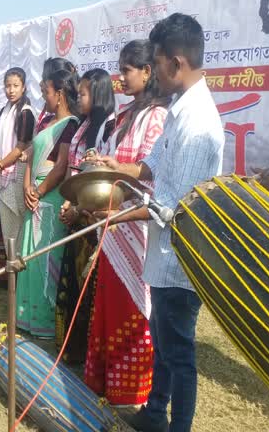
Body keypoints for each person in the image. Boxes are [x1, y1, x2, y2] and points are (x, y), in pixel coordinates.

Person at [95, 14, 224, 432]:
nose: (153, 74)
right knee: (166, 347)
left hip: (181, 262)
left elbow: (170, 206)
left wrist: (113, 214)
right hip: (163, 257)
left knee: (179, 355)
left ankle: (176, 426)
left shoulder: (199, 122)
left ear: (176, 62)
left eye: (156, 63)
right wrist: (119, 168)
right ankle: (154, 415)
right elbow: (154, 166)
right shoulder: (178, 109)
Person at [82, 40, 169, 407]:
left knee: (130, 310)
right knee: (109, 305)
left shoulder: (158, 118)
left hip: (137, 229)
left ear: (148, 72)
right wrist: (103, 162)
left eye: (127, 70)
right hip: (114, 228)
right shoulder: (128, 115)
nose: (121, 77)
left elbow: (152, 178)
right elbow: (122, 164)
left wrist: (117, 172)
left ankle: (130, 392)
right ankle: (105, 383)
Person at [55, 67, 116, 362]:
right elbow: (74, 169)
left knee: (88, 288)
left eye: (83, 93)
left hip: (93, 219)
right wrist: (69, 204)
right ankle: (73, 348)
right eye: (78, 92)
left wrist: (79, 207)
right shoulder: (83, 125)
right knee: (74, 284)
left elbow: (98, 177)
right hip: (76, 210)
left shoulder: (108, 126)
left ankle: (87, 353)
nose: (78, 98)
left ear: (99, 93)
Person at [17, 69, 79, 337]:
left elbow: (62, 164)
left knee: (46, 261)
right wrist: (27, 188)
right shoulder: (46, 123)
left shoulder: (70, 125)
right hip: (34, 196)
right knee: (29, 258)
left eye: (47, 92)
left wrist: (39, 191)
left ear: (60, 94)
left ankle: (45, 324)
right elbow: (31, 155)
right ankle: (26, 318)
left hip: (51, 200)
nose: (44, 97)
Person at [0, 67, 36, 252]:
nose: (11, 90)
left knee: (18, 224)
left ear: (24, 87)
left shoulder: (26, 112)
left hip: (17, 175)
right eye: (8, 86)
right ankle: (11, 270)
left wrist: (1, 164)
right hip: (2, 172)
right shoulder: (4, 110)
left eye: (15, 86)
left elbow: (21, 147)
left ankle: (18, 272)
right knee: (7, 227)